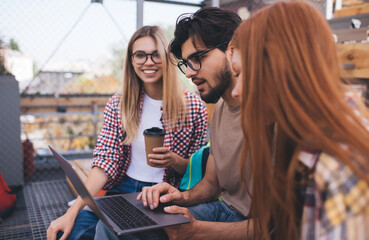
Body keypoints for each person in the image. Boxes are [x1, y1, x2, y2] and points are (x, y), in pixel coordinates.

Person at [46, 25, 208, 240]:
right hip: (121, 191)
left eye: (155, 55)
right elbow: (106, 161)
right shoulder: (119, 104)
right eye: (140, 55)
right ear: (131, 60)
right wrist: (71, 212)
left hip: (162, 195)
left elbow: (197, 171)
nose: (148, 62)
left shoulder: (193, 106)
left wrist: (175, 161)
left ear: (167, 59)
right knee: (68, 233)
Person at [231, 1, 369, 239]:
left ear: (279, 68)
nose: (236, 91)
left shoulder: (339, 166)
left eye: (242, 73)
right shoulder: (308, 141)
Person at [121, 7, 253, 240]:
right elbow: (211, 184)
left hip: (252, 226)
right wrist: (178, 196)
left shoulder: (270, 115)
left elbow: (278, 226)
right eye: (186, 63)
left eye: (198, 58)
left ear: (232, 50)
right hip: (223, 210)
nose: (190, 73)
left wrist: (198, 231)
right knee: (118, 229)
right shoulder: (220, 109)